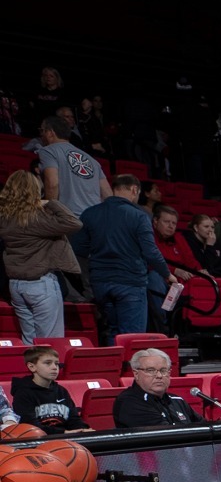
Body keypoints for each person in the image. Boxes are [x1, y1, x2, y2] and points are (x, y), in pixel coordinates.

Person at [80, 173, 169, 339]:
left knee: (111, 332)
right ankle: (127, 365)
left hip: (100, 283)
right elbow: (150, 252)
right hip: (130, 283)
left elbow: (80, 249)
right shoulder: (139, 215)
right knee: (132, 337)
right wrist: (167, 274)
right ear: (135, 190)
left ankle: (113, 365)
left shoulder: (90, 213)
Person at [0, 169, 80, 342]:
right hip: (40, 285)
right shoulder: (36, 218)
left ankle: (30, 369)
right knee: (50, 343)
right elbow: (73, 222)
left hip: (16, 285)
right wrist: (49, 202)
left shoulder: (4, 217)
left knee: (30, 341)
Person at [31, 115, 108, 294]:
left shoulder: (48, 151)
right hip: (95, 223)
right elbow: (107, 194)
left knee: (69, 273)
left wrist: (49, 212)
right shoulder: (91, 159)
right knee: (89, 274)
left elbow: (52, 183)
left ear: (50, 133)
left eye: (42, 131)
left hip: (70, 220)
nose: (41, 135)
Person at [112, 348, 197, 428]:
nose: (159, 376)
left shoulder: (177, 400)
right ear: (136, 374)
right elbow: (165, 435)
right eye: (150, 370)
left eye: (163, 370)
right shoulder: (129, 402)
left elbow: (204, 427)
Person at [10, 346, 83, 432]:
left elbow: (73, 419)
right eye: (48, 363)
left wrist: (83, 430)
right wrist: (63, 433)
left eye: (56, 363)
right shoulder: (23, 393)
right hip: (39, 441)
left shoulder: (61, 391)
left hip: (66, 438)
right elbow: (30, 426)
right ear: (32, 367)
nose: (55, 367)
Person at [186, 213, 221, 277]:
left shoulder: (217, 244)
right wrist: (209, 246)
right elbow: (202, 266)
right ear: (196, 227)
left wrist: (211, 273)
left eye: (212, 227)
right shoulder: (188, 242)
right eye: (206, 227)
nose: (210, 230)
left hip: (215, 278)